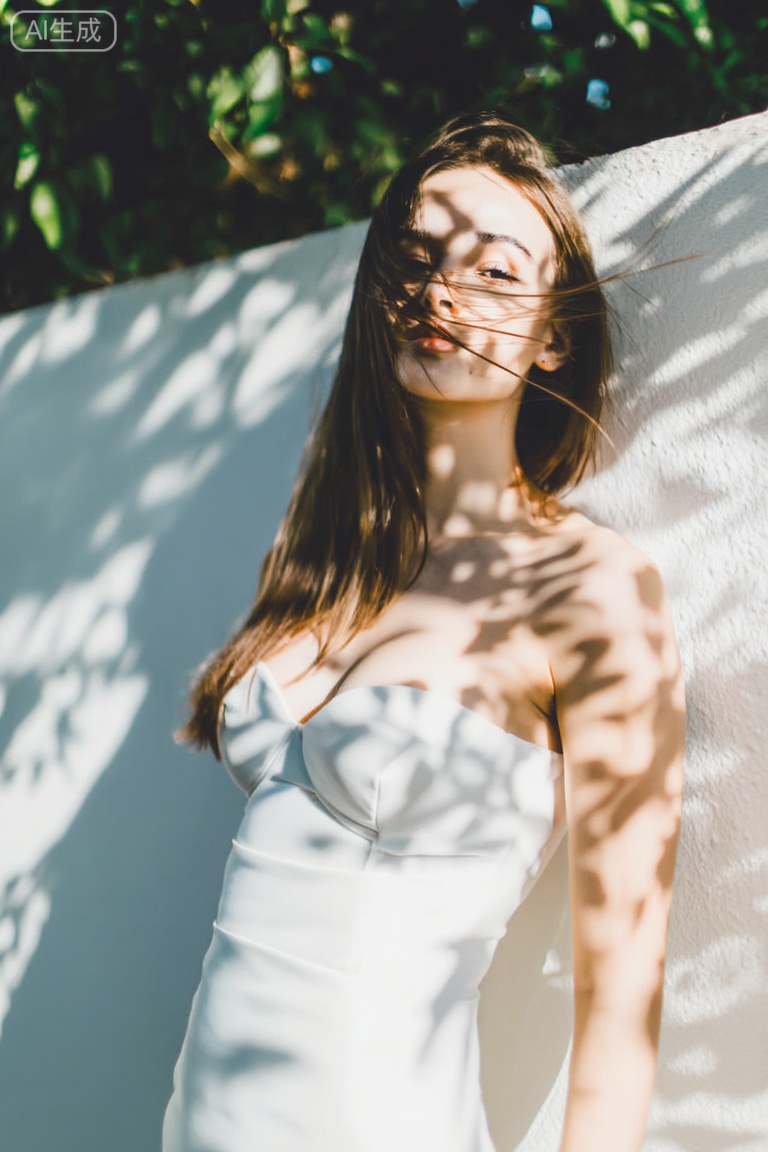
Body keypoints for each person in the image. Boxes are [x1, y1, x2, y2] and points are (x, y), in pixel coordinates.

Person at [162, 112, 686, 1152]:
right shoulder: (329, 566)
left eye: (493, 271)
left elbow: (623, 980)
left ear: (553, 336)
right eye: (417, 259)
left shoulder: (590, 588)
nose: (441, 291)